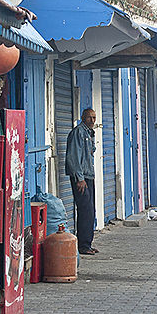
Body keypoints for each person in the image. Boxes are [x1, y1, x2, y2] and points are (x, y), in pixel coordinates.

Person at [66, 108, 98, 255]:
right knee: (85, 210)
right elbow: (74, 156)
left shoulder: (88, 133)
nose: (92, 120)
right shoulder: (78, 132)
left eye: (94, 118)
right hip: (81, 178)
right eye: (89, 118)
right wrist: (79, 179)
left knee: (90, 210)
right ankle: (84, 245)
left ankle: (87, 243)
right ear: (83, 118)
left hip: (88, 176)